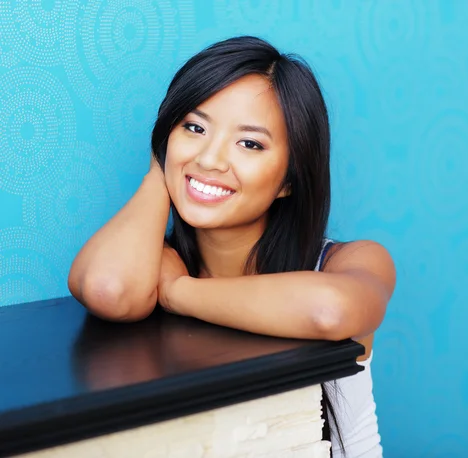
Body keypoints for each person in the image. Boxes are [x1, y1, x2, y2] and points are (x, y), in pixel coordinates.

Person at [68, 36, 396, 458]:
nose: (209, 159)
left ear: (289, 180)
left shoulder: (348, 262)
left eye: (249, 143)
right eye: (194, 127)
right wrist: (162, 164)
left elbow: (329, 311)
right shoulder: (159, 260)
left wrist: (177, 293)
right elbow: (107, 289)